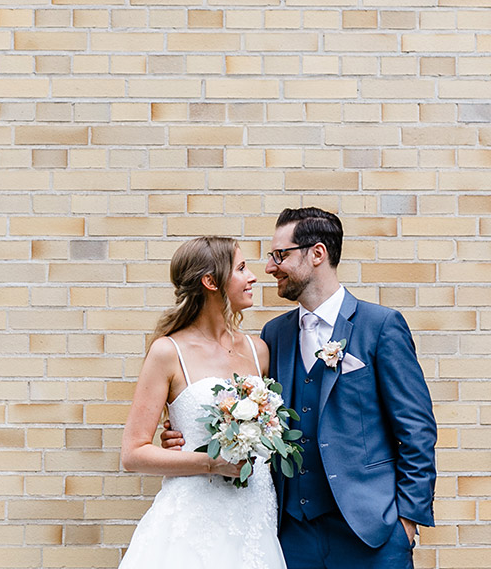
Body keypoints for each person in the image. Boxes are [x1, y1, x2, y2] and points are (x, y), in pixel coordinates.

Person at [164, 207, 437, 569]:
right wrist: (185, 434)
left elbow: (417, 431)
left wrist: (406, 523)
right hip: (292, 534)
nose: (270, 267)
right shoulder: (274, 336)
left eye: (280, 255)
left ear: (317, 254)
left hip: (371, 532)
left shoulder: (381, 326)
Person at [117, 235, 287, 569]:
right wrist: (210, 463)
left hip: (255, 514)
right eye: (240, 268)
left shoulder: (259, 351)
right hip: (195, 519)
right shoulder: (168, 353)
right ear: (211, 282)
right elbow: (132, 453)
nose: (253, 276)